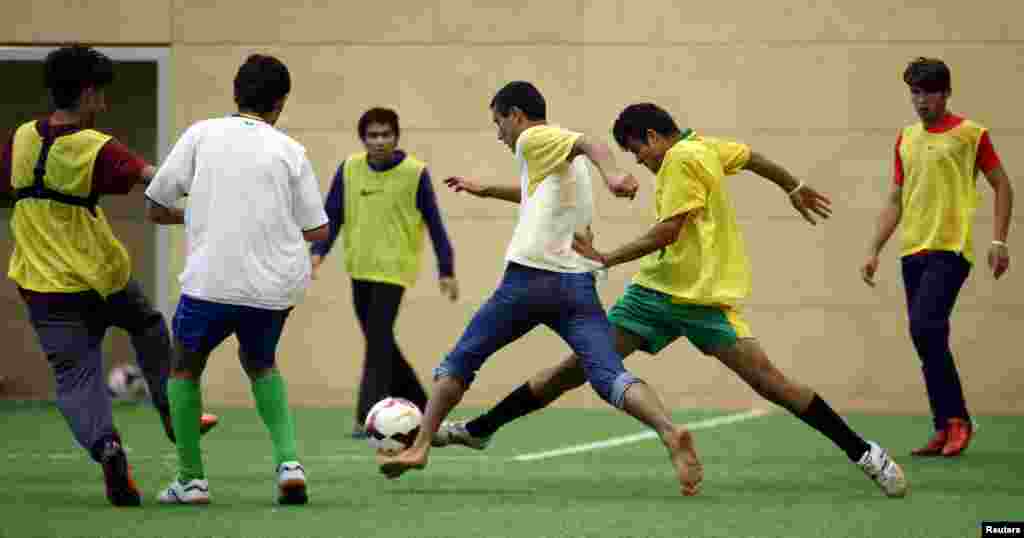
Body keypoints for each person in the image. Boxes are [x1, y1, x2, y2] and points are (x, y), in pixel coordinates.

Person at [433, 102, 910, 498]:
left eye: (637, 151)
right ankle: (480, 429)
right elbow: (753, 157)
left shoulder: (680, 161)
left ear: (653, 137)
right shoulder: (705, 146)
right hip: (659, 295)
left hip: (688, 300)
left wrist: (607, 257)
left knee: (770, 384)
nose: (639, 161)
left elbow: (669, 230)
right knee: (575, 369)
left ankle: (863, 450)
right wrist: (792, 185)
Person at [377, 81, 703, 497]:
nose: (499, 133)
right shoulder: (554, 162)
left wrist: (615, 174)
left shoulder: (533, 137)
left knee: (460, 361)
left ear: (516, 115)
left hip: (527, 282)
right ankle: (670, 432)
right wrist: (488, 189)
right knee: (608, 374)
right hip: (577, 287)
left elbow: (590, 141)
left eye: (499, 122)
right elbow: (536, 193)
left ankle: (420, 446)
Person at [0, 45, 217, 507]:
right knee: (148, 326)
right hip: (102, 278)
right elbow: (154, 178)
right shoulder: (94, 145)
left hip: (42, 287)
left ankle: (108, 449)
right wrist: (210, 193)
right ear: (86, 93)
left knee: (76, 377)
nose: (104, 104)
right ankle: (172, 412)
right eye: (100, 94)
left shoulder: (21, 138)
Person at [145, 54, 329, 505]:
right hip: (273, 288)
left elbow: (155, 205)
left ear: (234, 93)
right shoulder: (291, 151)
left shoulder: (200, 134)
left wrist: (197, 211)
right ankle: (289, 464)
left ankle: (191, 479)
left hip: (211, 282)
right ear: (281, 102)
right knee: (261, 362)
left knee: (184, 368)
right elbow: (317, 230)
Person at [862, 57, 1013, 457]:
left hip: (951, 249)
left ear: (946, 93)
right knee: (925, 336)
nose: (921, 100)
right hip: (913, 251)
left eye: (929, 92)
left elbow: (1003, 185)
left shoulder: (971, 135)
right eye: (915, 92)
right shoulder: (905, 138)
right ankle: (943, 425)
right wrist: (874, 250)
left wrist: (999, 241)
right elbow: (895, 198)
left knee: (927, 326)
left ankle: (958, 420)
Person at [310, 107, 458, 438]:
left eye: (385, 135)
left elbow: (434, 223)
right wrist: (317, 252)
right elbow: (333, 216)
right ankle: (422, 404)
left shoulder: (414, 172)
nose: (379, 141)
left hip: (394, 271)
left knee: (377, 341)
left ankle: (367, 415)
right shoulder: (349, 169)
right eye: (372, 135)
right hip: (359, 269)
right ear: (363, 139)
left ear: (396, 137)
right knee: (381, 343)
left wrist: (446, 268)